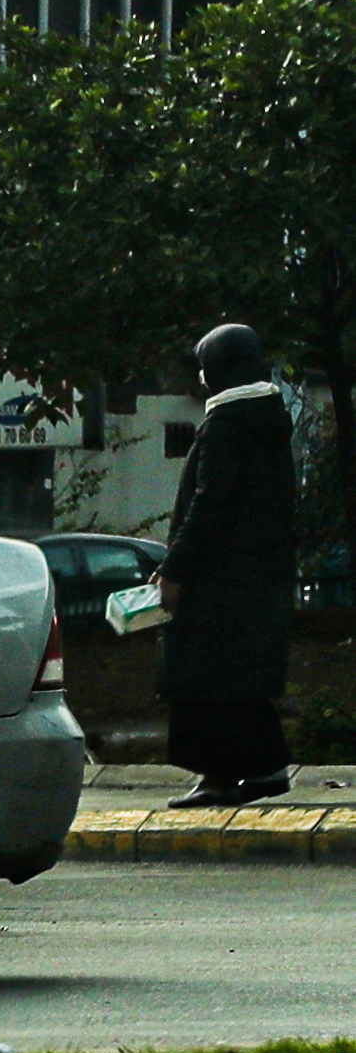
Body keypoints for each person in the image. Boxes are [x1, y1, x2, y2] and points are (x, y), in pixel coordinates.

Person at [154, 323, 298, 809]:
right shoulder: (268, 424)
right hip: (256, 578)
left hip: (215, 580)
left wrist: (174, 570)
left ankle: (216, 776)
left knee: (199, 678)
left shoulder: (226, 427)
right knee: (241, 679)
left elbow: (208, 505)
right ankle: (264, 770)